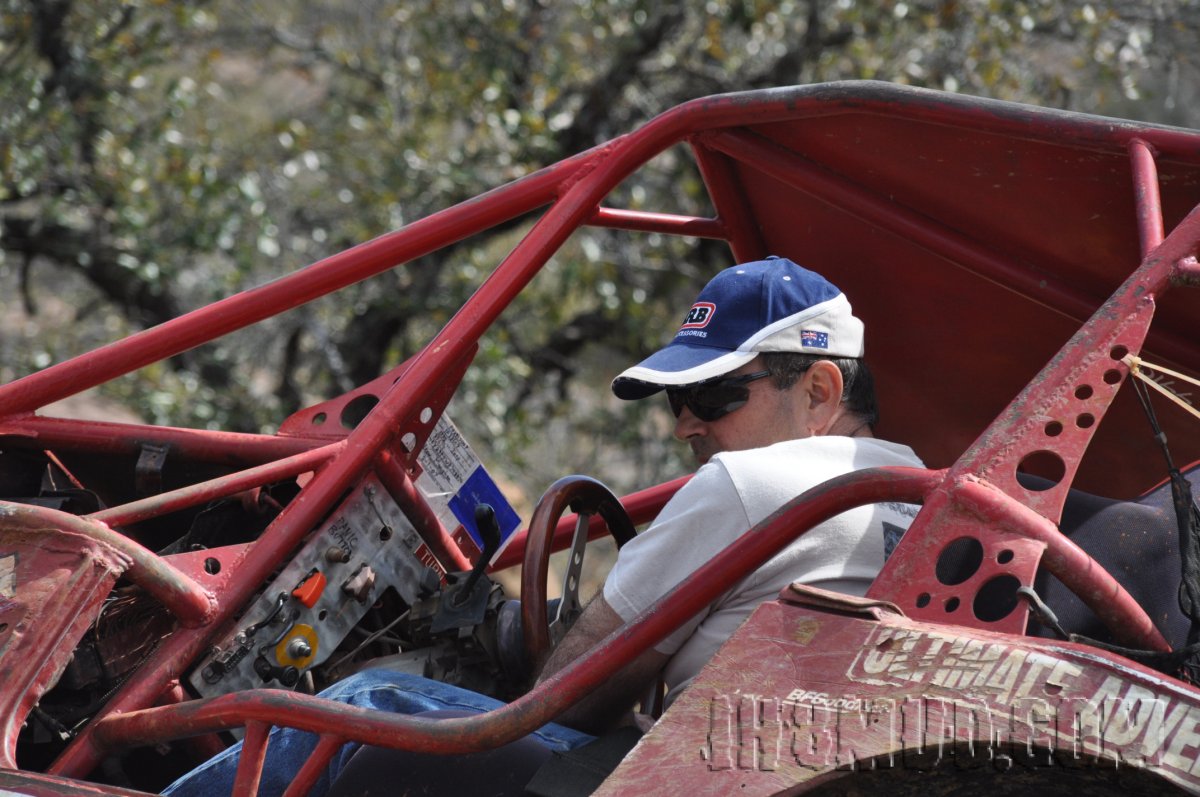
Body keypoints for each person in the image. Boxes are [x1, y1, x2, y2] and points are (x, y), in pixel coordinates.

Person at [162, 256, 923, 796]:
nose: (687, 423)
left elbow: (568, 694)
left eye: (717, 393)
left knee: (360, 708)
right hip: (782, 765)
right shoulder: (915, 489)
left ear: (821, 386)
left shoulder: (754, 482)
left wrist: (535, 650)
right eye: (675, 400)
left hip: (694, 774)